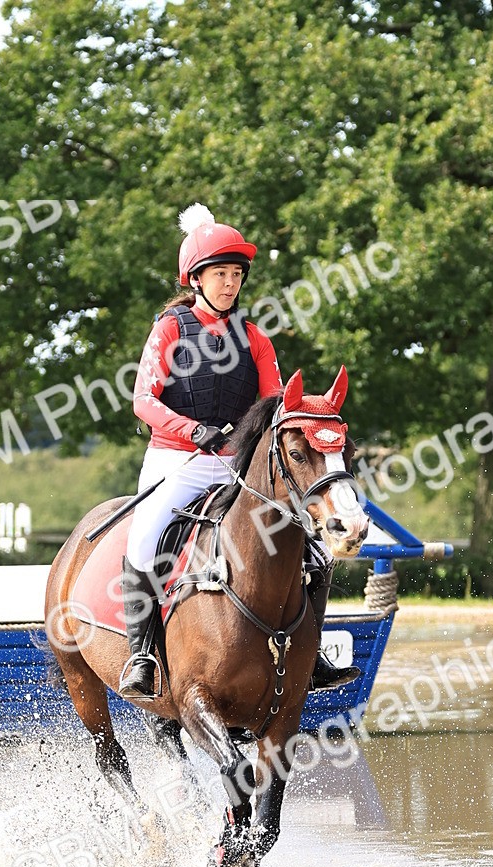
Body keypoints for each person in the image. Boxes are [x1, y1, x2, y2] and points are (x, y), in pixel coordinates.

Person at [119, 204, 356, 700]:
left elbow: (274, 405)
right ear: (196, 278)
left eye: (235, 274)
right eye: (219, 274)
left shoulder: (253, 337)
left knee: (313, 551)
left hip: (237, 467)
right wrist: (192, 430)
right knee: (143, 544)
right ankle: (142, 655)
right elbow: (144, 400)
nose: (229, 283)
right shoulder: (169, 329)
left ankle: (310, 660)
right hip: (175, 461)